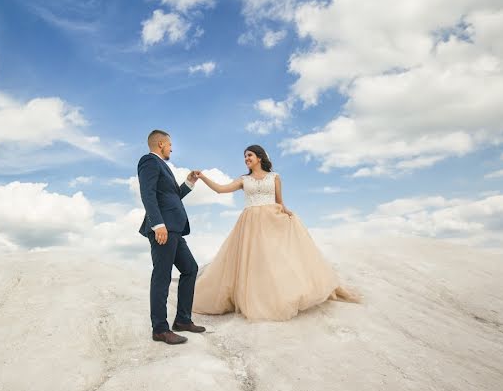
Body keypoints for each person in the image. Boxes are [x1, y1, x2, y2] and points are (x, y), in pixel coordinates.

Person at [192, 145, 362, 321]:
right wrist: (203, 177)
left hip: (271, 220)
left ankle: (282, 295)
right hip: (250, 222)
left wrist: (287, 213)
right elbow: (221, 189)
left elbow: (279, 202)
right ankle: (255, 297)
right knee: (255, 260)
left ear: (259, 157)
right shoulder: (244, 179)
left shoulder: (274, 177)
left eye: (249, 155)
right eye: (244, 156)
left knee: (274, 258)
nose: (246, 159)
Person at [137, 129, 207, 344]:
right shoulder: (149, 162)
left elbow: (172, 196)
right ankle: (159, 328)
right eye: (169, 145)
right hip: (163, 228)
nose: (171, 148)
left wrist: (189, 182)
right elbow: (147, 193)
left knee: (190, 269)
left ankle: (183, 320)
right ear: (160, 144)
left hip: (174, 228)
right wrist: (158, 224)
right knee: (162, 275)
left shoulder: (162, 166)